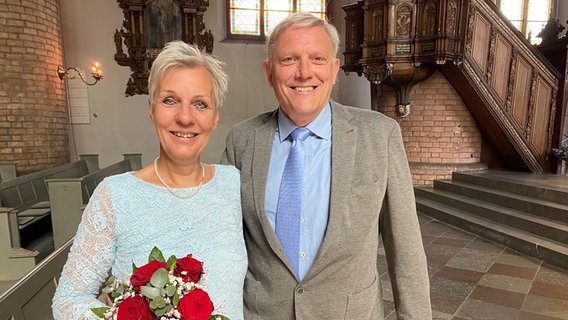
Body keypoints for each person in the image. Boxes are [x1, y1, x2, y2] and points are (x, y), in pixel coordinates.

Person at [221, 13, 432, 319]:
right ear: (269, 72)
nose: (304, 72)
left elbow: (406, 249)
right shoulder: (241, 140)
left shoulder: (379, 135)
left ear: (334, 71)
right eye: (289, 59)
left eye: (317, 58)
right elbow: (225, 244)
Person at [52, 41, 247, 320]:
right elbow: (69, 299)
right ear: (151, 109)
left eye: (200, 104)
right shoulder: (115, 195)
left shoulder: (235, 185)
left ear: (215, 117)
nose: (184, 117)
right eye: (170, 100)